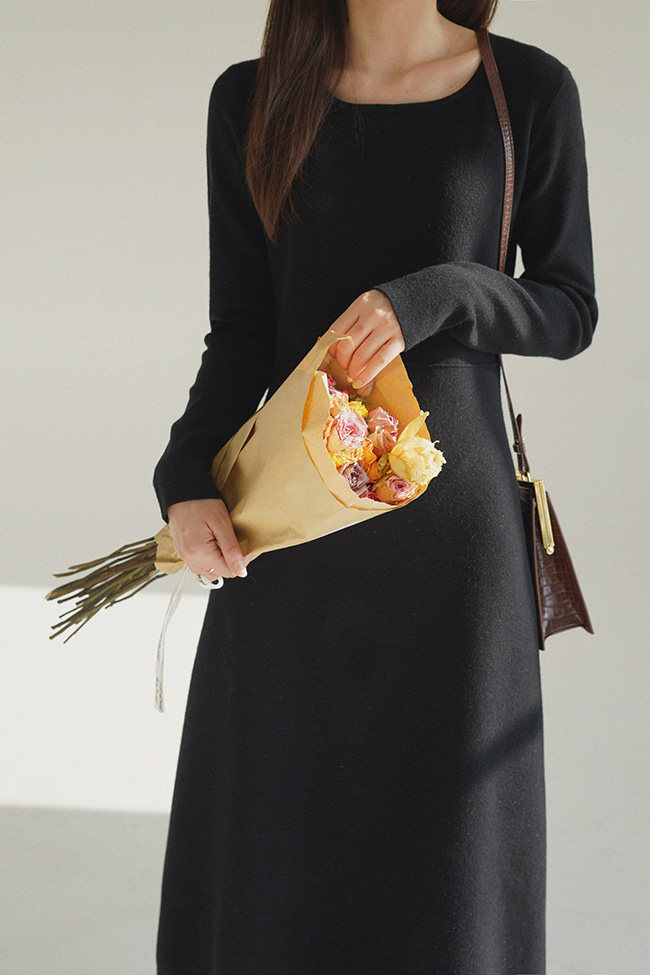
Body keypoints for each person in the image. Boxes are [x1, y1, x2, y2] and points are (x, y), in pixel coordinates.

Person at [153, 2, 598, 972]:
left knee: (449, 872)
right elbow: (242, 330)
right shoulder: (252, 99)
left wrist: (439, 292)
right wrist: (183, 476)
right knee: (272, 859)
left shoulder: (525, 91)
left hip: (455, 558)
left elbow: (568, 307)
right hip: (289, 544)